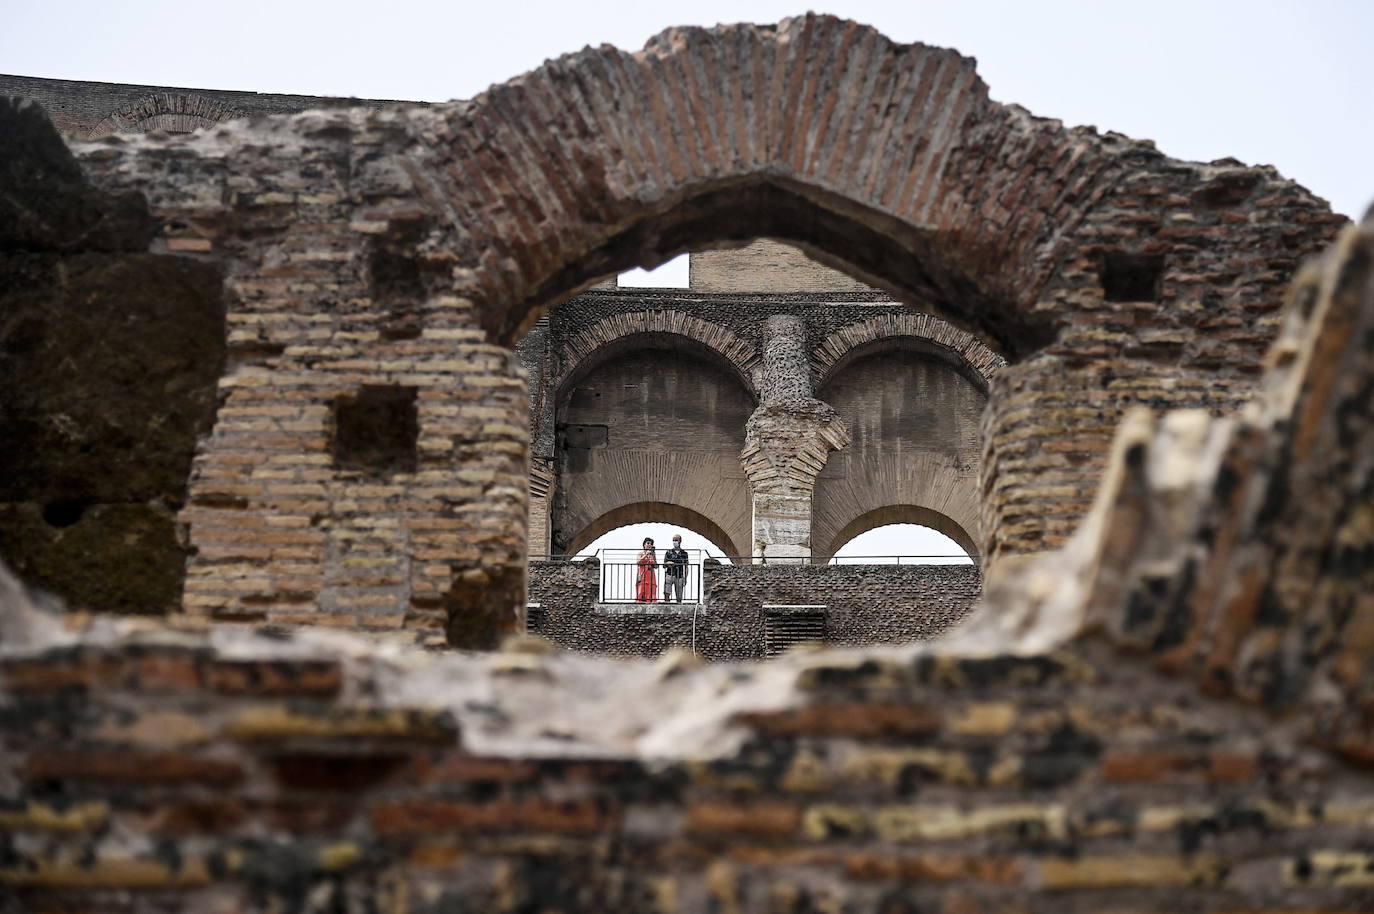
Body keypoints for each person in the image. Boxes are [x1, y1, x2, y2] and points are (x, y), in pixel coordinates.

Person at [662, 534, 688, 603]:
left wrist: (685, 578)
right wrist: (668, 563)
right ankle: (667, 604)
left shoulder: (684, 553)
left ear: (680, 541)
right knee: (667, 591)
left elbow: (686, 566)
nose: (674, 542)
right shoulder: (669, 552)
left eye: (676, 540)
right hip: (669, 574)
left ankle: (679, 605)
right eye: (673, 540)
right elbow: (663, 565)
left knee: (679, 594)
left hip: (679, 575)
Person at [634, 537, 657, 602]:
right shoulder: (640, 553)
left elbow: (656, 566)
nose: (649, 545)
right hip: (642, 576)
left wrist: (653, 555)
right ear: (644, 545)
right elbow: (638, 562)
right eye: (648, 543)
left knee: (651, 591)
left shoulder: (652, 555)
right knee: (641, 591)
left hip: (651, 576)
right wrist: (646, 555)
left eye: (651, 544)